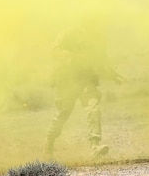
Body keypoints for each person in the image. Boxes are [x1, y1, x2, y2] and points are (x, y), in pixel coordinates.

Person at [44, 16, 122, 159]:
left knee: (93, 108)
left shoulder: (99, 39)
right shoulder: (69, 33)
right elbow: (55, 50)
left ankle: (94, 146)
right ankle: (48, 144)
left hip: (86, 80)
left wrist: (112, 74)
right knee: (62, 114)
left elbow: (101, 60)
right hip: (67, 81)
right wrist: (72, 58)